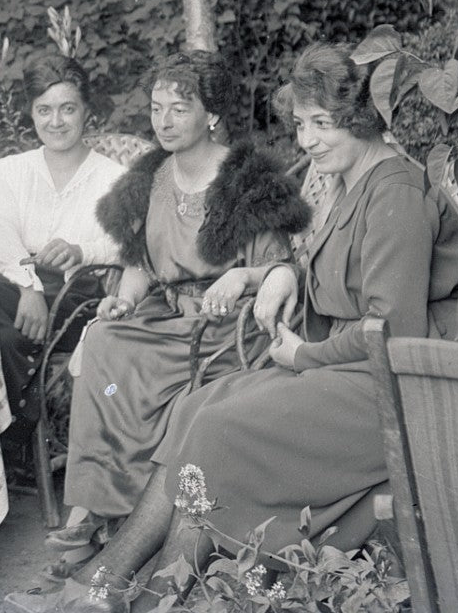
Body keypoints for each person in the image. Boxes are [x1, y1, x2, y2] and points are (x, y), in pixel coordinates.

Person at [6, 44, 458, 613]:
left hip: (390, 389)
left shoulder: (393, 192)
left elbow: (386, 332)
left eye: (322, 123)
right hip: (343, 366)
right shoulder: (351, 179)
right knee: (200, 406)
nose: (307, 141)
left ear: (363, 116)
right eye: (301, 124)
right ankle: (117, 580)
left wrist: (304, 352)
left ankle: (149, 603)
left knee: (222, 428)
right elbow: (318, 267)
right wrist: (274, 272)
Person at [26, 50, 309, 584]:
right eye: (157, 109)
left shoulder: (246, 178)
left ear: (212, 115)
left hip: (230, 325)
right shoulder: (153, 177)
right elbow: (139, 262)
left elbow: (278, 268)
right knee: (107, 339)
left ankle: (137, 523)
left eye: (179, 108)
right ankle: (94, 514)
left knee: (139, 365)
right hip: (167, 314)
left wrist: (245, 278)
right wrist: (125, 301)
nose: (164, 121)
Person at [0, 52, 125, 479]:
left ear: (86, 113)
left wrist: (82, 251)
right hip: (15, 284)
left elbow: (125, 247)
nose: (56, 121)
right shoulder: (7, 171)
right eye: (44, 110)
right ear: (31, 114)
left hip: (77, 294)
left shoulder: (113, 178)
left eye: (68, 109)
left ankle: (5, 450)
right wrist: (29, 287)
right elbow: (3, 239)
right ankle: (16, 442)